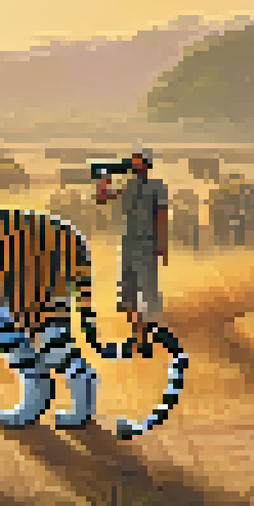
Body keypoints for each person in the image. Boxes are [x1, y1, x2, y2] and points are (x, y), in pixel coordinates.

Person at [94, 143, 169, 357]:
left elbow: (162, 215)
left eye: (138, 160)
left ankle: (143, 339)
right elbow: (102, 198)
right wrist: (104, 179)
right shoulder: (127, 186)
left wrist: (161, 246)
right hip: (128, 244)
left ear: (146, 164)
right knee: (127, 297)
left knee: (147, 294)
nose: (134, 163)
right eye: (133, 159)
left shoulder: (157, 186)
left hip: (147, 244)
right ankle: (139, 336)